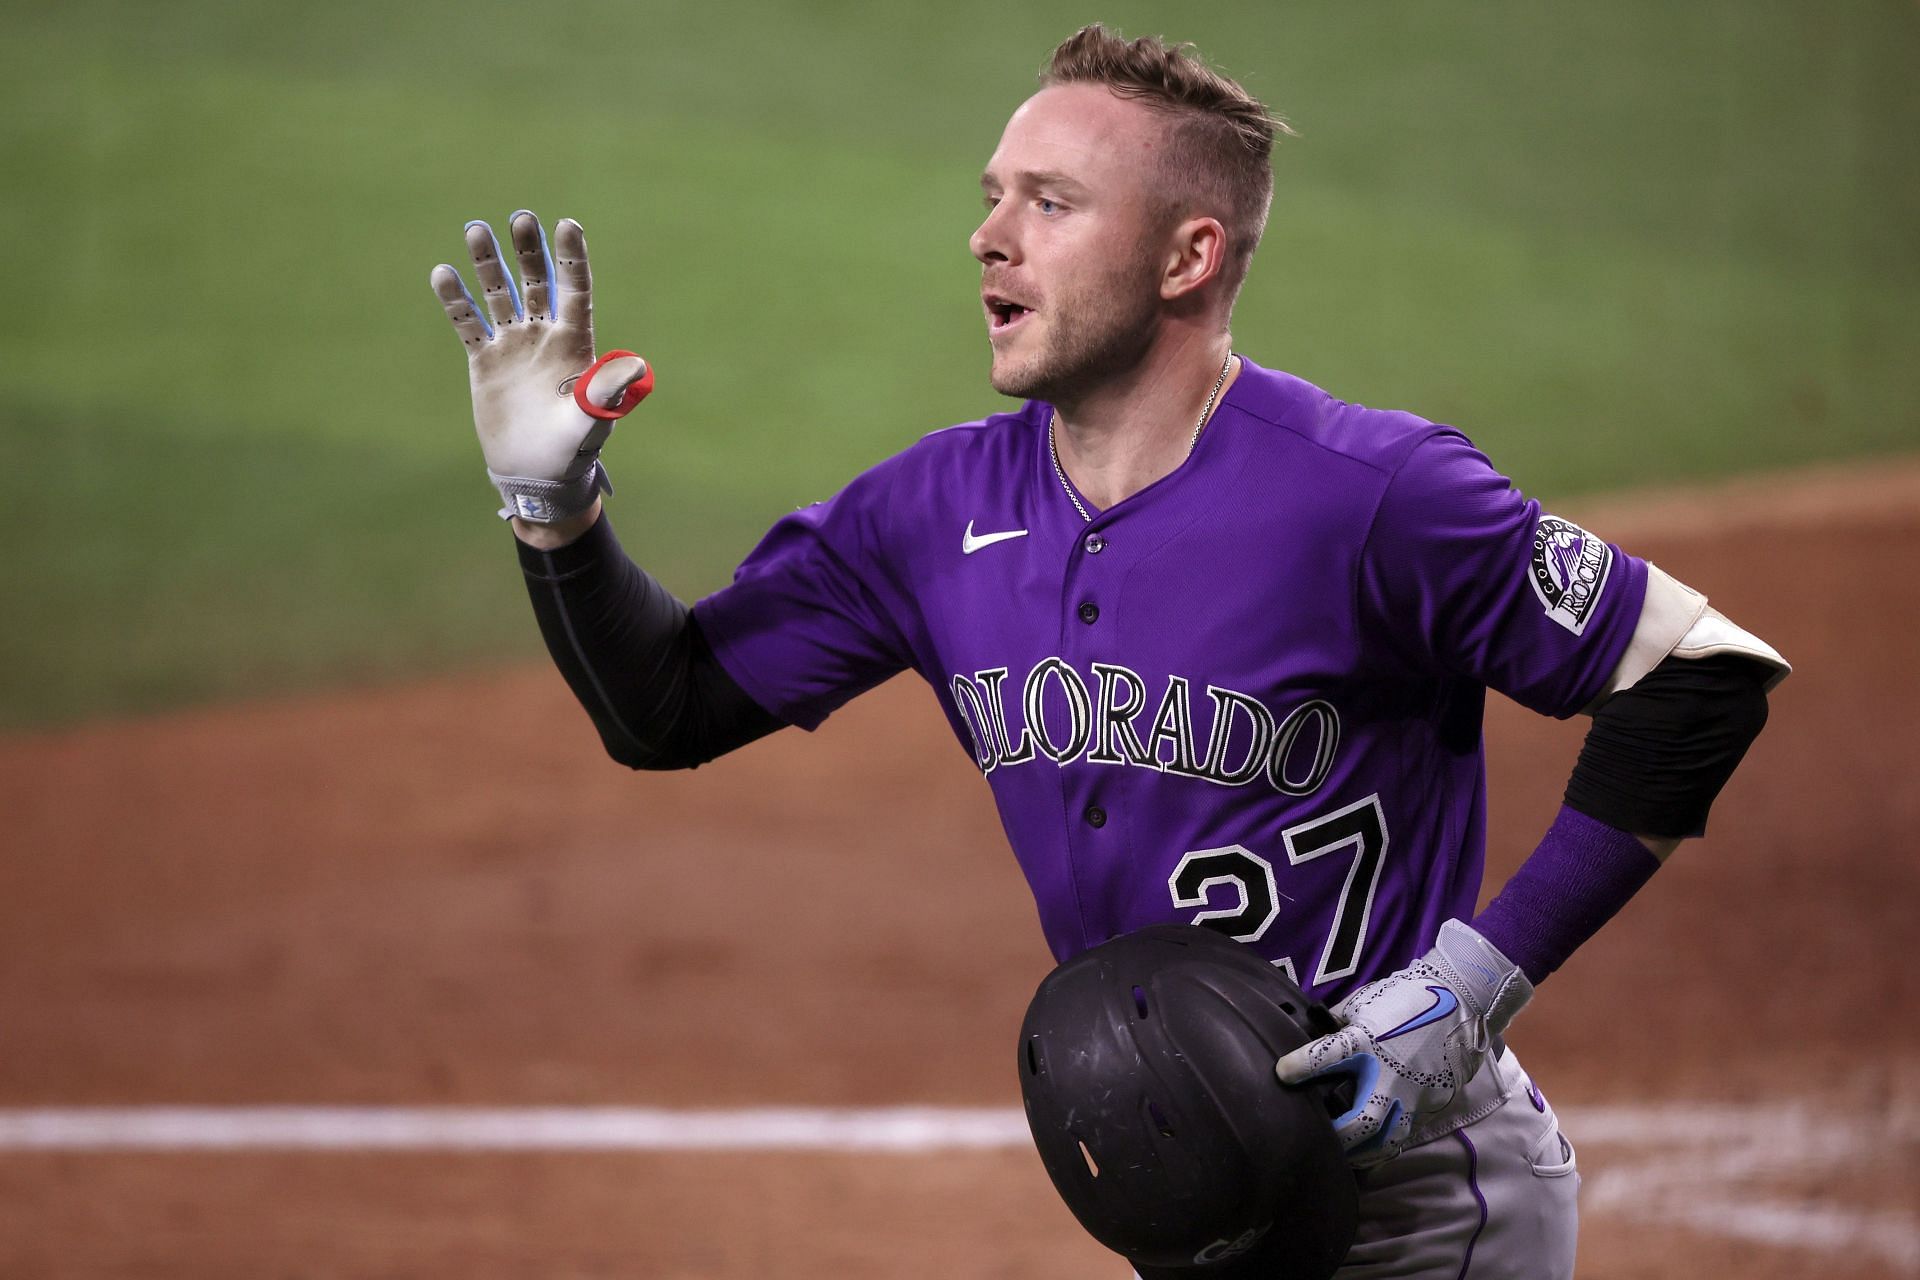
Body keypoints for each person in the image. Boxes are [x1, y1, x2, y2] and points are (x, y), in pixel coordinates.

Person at [429, 24, 1788, 1279]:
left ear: (1186, 258)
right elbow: (664, 707)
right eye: (994, 193)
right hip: (1190, 1181)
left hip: (1414, 1191)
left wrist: (1475, 986)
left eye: (1050, 204)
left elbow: (1703, 678)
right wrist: (556, 518)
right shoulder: (927, 513)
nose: (987, 237)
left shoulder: (1370, 494)